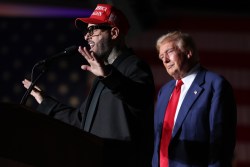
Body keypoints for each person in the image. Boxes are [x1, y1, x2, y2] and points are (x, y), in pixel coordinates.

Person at [22, 4, 155, 167]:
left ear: (113, 33)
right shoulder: (102, 77)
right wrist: (44, 101)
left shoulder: (134, 65)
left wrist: (108, 76)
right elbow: (80, 120)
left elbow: (140, 99)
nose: (86, 36)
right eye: (87, 31)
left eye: (93, 30)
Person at [152, 31, 237, 167]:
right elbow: (158, 140)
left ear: (188, 52)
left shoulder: (215, 85)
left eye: (169, 52)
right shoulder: (164, 91)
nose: (165, 60)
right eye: (161, 56)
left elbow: (221, 143)